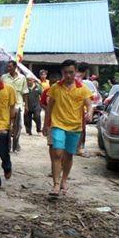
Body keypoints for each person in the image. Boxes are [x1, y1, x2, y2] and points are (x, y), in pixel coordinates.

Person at [43, 60, 93, 197]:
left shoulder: (82, 89)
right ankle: (56, 184)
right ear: (62, 73)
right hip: (57, 125)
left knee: (69, 155)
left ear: (75, 72)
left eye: (71, 72)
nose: (69, 75)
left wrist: (89, 112)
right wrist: (45, 125)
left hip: (75, 126)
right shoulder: (55, 88)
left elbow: (89, 105)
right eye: (66, 73)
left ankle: (64, 179)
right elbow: (49, 107)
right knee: (57, 153)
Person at [2, 60, 29, 152]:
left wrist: (26, 106)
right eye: (8, 67)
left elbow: (25, 92)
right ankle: (8, 144)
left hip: (19, 103)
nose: (8, 68)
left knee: (19, 125)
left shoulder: (22, 78)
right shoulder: (4, 77)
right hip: (7, 104)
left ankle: (16, 143)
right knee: (8, 125)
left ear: (15, 67)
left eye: (10, 67)